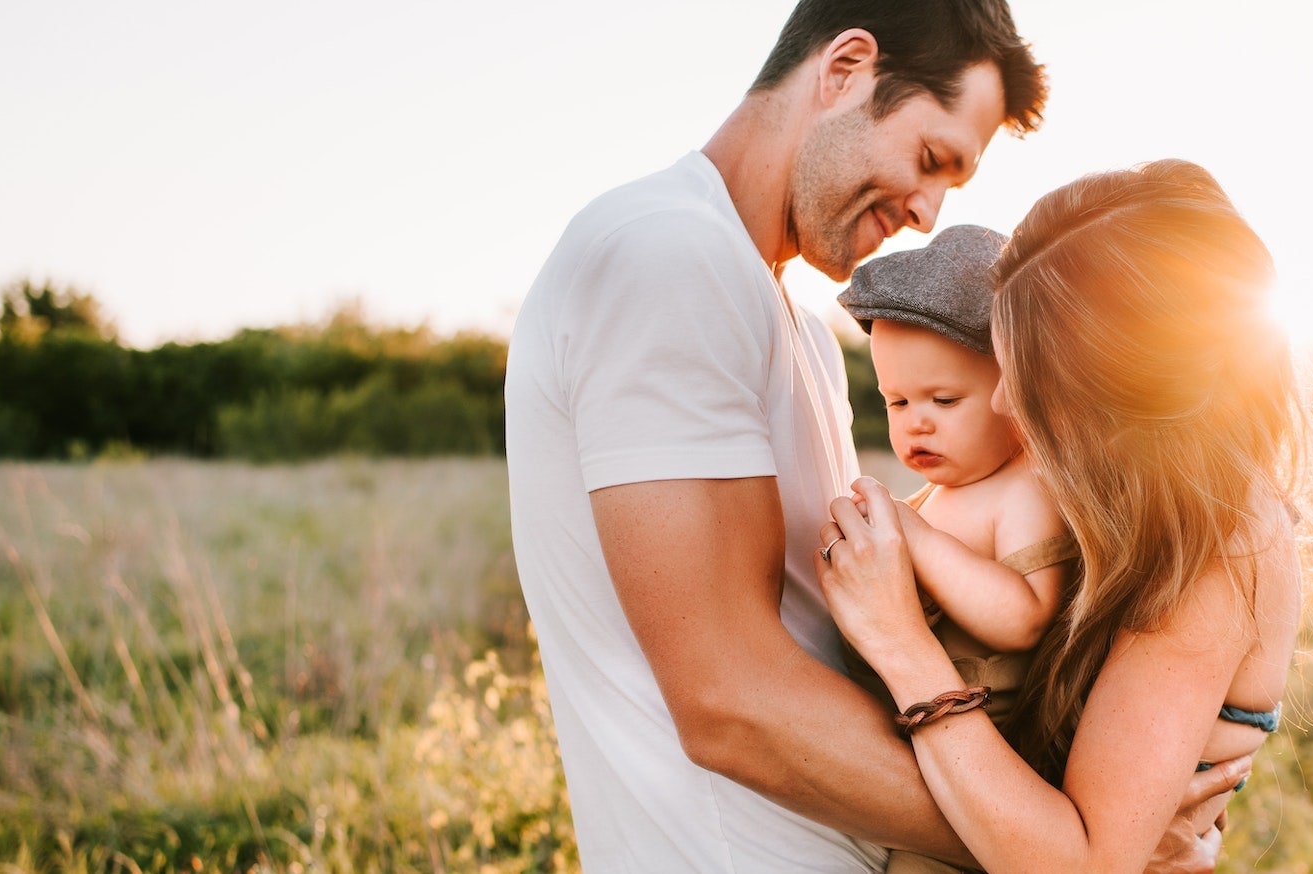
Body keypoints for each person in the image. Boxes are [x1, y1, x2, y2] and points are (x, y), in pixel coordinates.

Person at [506, 0, 1247, 868]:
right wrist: (1069, 847)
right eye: (931, 159)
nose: (929, 212)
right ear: (845, 67)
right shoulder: (665, 258)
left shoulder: (797, 328)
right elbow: (727, 701)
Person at [817, 159, 1313, 873]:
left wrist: (901, 645)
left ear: (1124, 393)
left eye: (1031, 381)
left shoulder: (1222, 542)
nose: (1004, 405)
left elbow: (1079, 865)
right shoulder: (1119, 502)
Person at [836, 224, 1073, 874]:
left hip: (985, 756)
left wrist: (915, 539)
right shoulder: (938, 494)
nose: (916, 420)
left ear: (1015, 393)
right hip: (915, 749)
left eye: (944, 399)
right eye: (896, 400)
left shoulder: (1022, 487)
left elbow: (1025, 614)